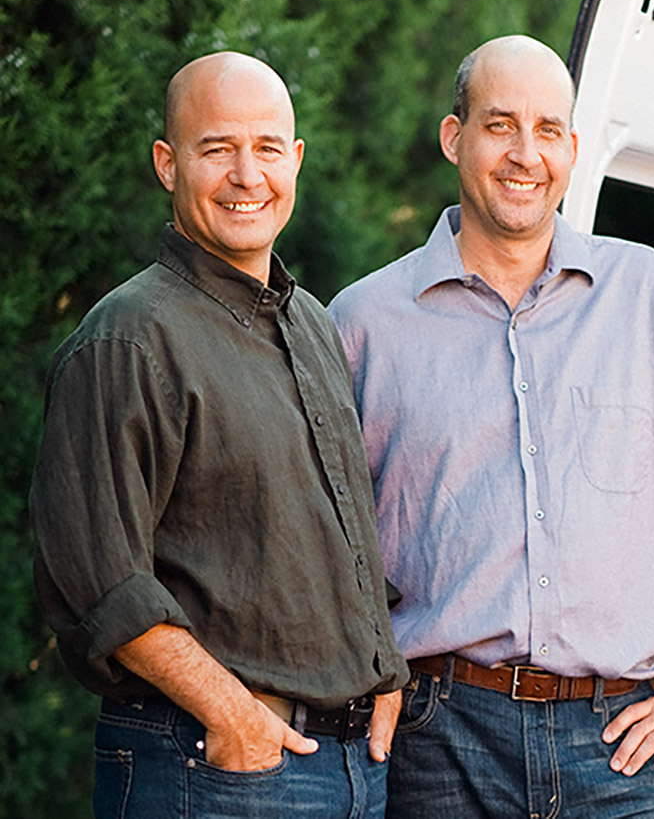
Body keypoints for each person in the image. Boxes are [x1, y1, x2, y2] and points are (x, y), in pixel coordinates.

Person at [327, 35, 654, 819]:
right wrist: (363, 672)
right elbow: (330, 537)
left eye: (548, 131)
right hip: (440, 738)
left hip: (624, 740)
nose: (525, 154)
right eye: (500, 125)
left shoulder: (651, 297)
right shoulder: (364, 322)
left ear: (573, 150)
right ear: (454, 137)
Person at [30, 51, 408, 819]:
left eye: (267, 148)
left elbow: (340, 534)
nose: (246, 174)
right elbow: (100, 579)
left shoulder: (312, 324)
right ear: (168, 164)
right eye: (217, 149)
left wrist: (385, 675)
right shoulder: (129, 339)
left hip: (349, 774)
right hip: (214, 767)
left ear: (295, 160)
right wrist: (233, 718)